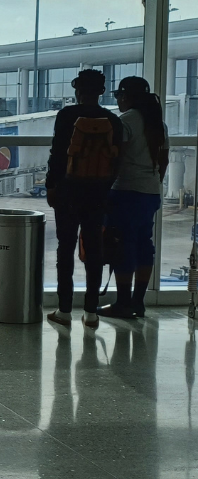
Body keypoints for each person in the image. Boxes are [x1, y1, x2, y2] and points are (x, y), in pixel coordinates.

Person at [45, 69, 124, 331]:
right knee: (94, 249)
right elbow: (117, 160)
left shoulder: (67, 115)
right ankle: (91, 312)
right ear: (101, 91)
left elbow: (57, 153)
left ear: (77, 90)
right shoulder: (113, 120)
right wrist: (105, 186)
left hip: (68, 191)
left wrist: (51, 185)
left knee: (65, 249)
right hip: (98, 192)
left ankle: (64, 310)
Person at [98, 76, 169, 318]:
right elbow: (164, 159)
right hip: (150, 192)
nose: (117, 100)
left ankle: (123, 303)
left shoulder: (125, 120)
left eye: (118, 96)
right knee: (143, 245)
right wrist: (153, 182)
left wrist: (105, 189)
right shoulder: (158, 123)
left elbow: (115, 159)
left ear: (126, 96)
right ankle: (138, 302)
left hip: (126, 191)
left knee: (123, 247)